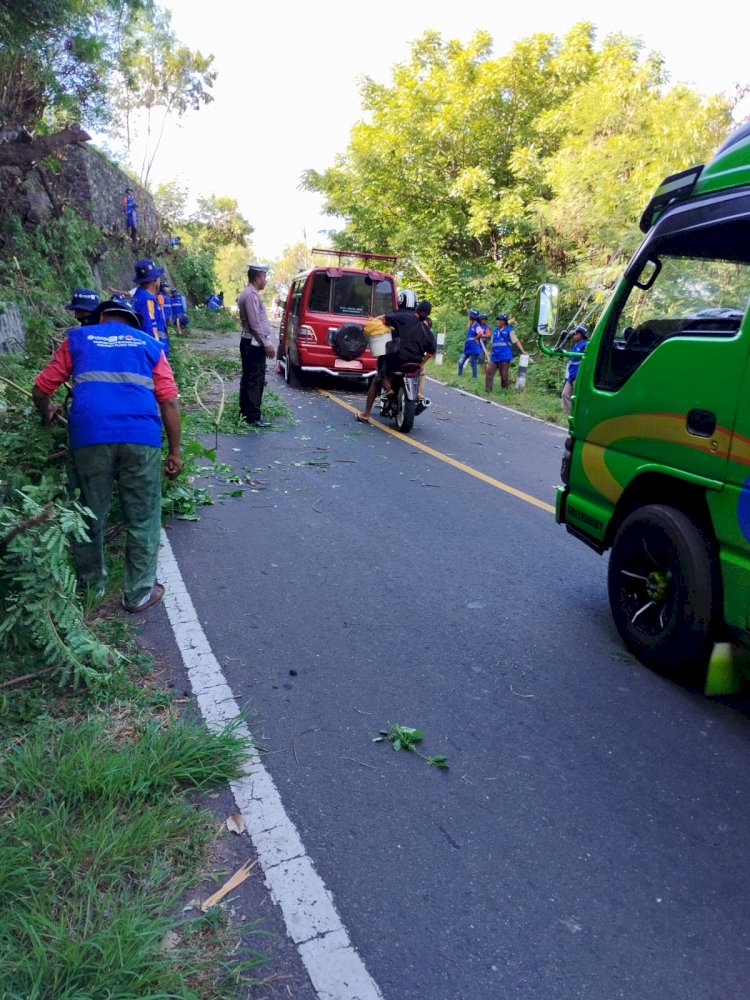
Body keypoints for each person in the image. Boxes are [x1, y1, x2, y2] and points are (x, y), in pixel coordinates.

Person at [31, 299, 181, 612]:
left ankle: (91, 590)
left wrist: (48, 410)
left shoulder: (78, 338)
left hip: (89, 436)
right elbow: (168, 402)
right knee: (142, 516)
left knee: (88, 514)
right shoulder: (150, 344)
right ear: (132, 323)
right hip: (141, 439)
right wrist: (175, 452)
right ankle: (138, 593)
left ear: (102, 319)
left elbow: (42, 388)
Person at [355, 289, 435, 423]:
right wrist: (421, 363)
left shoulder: (398, 316)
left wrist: (372, 321)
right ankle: (419, 393)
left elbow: (380, 320)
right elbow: (431, 350)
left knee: (378, 374)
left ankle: (368, 412)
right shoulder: (425, 325)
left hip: (396, 359)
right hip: (415, 363)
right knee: (421, 372)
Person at [238, 263, 275, 427]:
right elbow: (255, 324)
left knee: (248, 378)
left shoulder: (248, 293)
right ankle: (253, 416)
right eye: (264, 277)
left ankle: (246, 413)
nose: (265, 280)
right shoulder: (251, 295)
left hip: (250, 342)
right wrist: (266, 343)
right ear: (257, 277)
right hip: (253, 343)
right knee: (255, 379)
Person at [131, 258, 170, 357]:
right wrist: (158, 357)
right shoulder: (147, 300)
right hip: (154, 355)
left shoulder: (138, 296)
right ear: (155, 280)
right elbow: (151, 331)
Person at [485, 313, 528, 392]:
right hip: (494, 356)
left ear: (504, 321)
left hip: (505, 356)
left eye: (500, 320)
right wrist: (489, 352)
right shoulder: (495, 330)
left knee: (504, 376)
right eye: (498, 320)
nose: (498, 321)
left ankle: (505, 391)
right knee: (489, 372)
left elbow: (516, 341)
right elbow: (492, 343)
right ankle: (488, 391)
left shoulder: (509, 330)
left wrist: (523, 351)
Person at [561, 324, 589, 414]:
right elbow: (572, 358)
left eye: (576, 333)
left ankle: (576, 415)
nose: (574, 335)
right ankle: (568, 413)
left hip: (578, 375)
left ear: (580, 334)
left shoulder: (585, 345)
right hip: (572, 375)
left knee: (576, 397)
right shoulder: (576, 345)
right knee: (565, 394)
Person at [458, 310, 484, 378]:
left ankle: (474, 378)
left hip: (474, 347)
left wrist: (475, 338)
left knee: (473, 363)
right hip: (468, 347)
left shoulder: (477, 325)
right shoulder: (471, 323)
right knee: (460, 361)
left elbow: (481, 333)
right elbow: (467, 329)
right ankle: (459, 375)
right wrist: (470, 321)